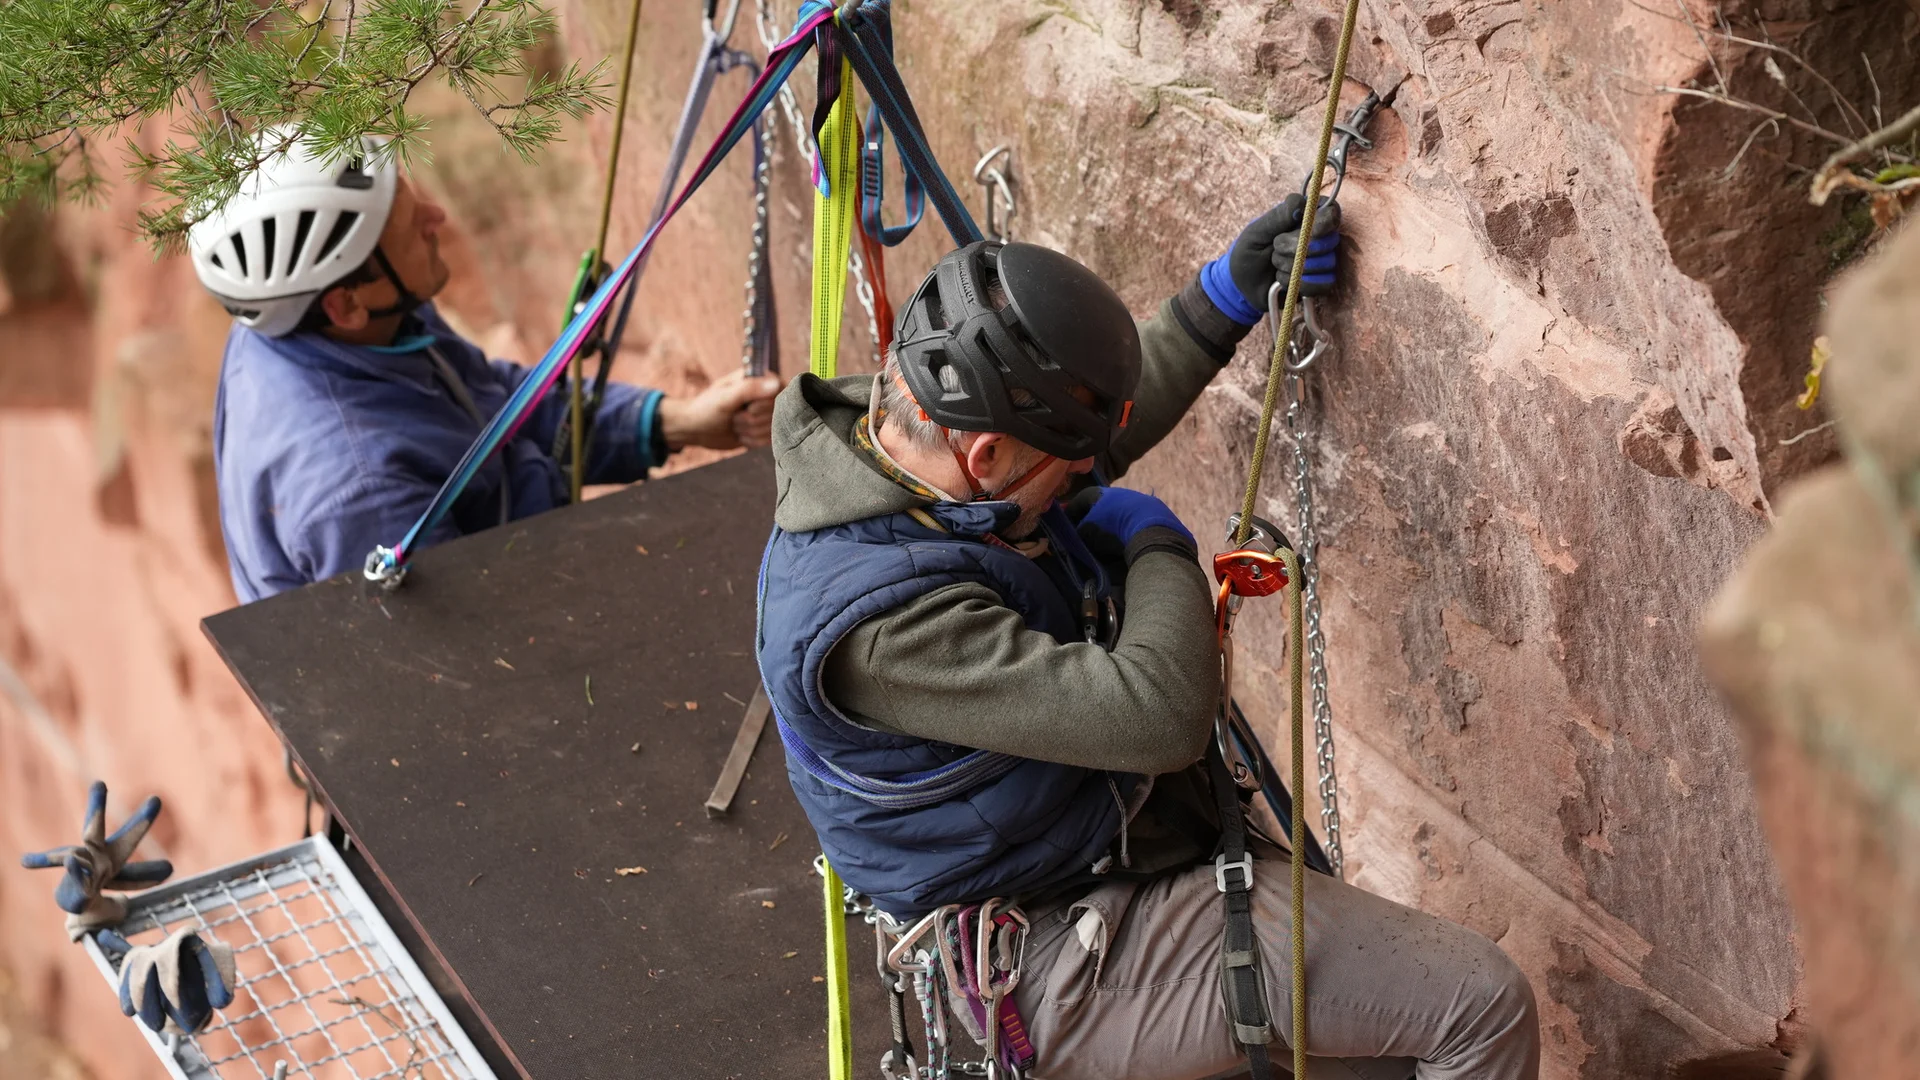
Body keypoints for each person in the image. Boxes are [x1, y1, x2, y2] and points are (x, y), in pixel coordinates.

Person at [755, 204, 1540, 1078]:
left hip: (1083, 860)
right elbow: (1159, 716)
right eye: (1068, 471)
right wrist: (1159, 540)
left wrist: (1221, 301)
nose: (1090, 479)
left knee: (1381, 1060)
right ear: (983, 459)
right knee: (1479, 1004)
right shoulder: (884, 627)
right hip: (1050, 950)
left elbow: (1067, 440)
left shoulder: (893, 439)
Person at [191, 127, 779, 602]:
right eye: (406, 225)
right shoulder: (360, 496)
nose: (436, 216)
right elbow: (481, 651)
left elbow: (493, 401)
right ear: (346, 304)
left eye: (409, 194)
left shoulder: (335, 324)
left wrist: (670, 423)